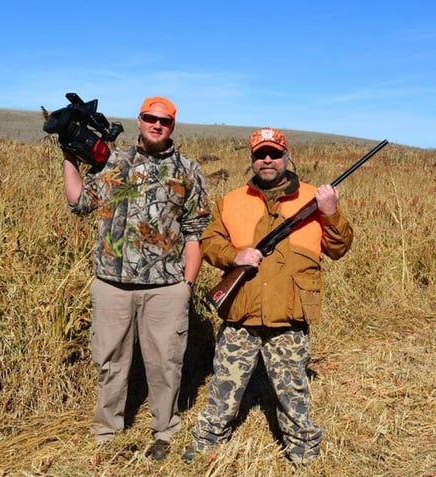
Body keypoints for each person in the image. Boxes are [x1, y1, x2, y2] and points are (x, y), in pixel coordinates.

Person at [184, 127, 354, 465]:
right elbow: (209, 242)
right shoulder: (231, 200)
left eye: (274, 153)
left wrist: (331, 210)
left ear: (286, 156)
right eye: (261, 154)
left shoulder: (315, 199)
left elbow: (340, 247)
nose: (267, 160)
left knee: (293, 392)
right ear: (252, 159)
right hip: (241, 314)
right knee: (224, 387)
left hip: (288, 315)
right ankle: (207, 442)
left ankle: (303, 451)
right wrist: (236, 256)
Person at [61, 96, 210, 460]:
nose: (157, 125)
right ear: (139, 120)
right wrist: (67, 153)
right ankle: (106, 432)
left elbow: (195, 232)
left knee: (165, 362)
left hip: (166, 288)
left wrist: (185, 286)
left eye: (165, 121)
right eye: (150, 118)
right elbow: (79, 203)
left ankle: (165, 430)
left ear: (172, 126)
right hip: (112, 284)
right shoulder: (114, 161)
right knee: (110, 360)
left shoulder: (188, 170)